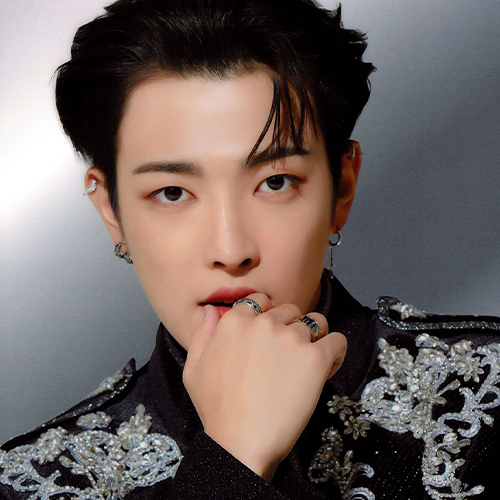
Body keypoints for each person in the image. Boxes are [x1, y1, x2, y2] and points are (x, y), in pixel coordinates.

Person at [1, 0, 499, 499]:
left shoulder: (487, 399)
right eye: (172, 192)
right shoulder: (36, 482)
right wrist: (233, 453)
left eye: (275, 182)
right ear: (112, 210)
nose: (230, 249)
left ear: (341, 189)